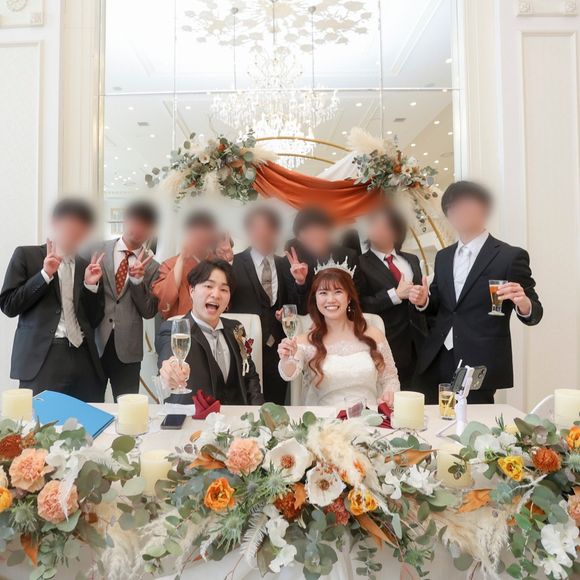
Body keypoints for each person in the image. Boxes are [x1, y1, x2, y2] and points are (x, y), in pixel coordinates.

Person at [409, 181, 543, 404]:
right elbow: (439, 305)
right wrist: (423, 301)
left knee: (473, 421)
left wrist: (523, 303)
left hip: (479, 359)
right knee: (429, 416)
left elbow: (535, 311)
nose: (458, 212)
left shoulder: (509, 256)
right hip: (437, 355)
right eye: (452, 208)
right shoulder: (443, 257)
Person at [0, 199, 106, 402]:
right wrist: (44, 275)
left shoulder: (87, 266)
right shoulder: (27, 255)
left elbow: (94, 319)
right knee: (42, 420)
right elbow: (9, 305)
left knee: (86, 419)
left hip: (84, 358)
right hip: (43, 359)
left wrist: (90, 286)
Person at [277, 265, 400, 407]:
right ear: (315, 298)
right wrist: (286, 357)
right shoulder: (305, 340)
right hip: (325, 419)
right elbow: (289, 374)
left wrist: (389, 394)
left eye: (338, 292)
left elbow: (390, 379)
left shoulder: (373, 335)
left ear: (349, 297)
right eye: (323, 293)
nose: (331, 299)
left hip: (368, 416)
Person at [157, 259, 264, 405]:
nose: (216, 294)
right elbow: (170, 359)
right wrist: (171, 370)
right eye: (209, 286)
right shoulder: (173, 330)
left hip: (237, 417)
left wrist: (258, 412)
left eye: (224, 289)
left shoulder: (236, 328)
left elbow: (250, 376)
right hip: (194, 417)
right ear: (192, 290)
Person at [93, 200, 160, 401]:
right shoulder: (98, 250)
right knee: (92, 404)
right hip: (96, 343)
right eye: (135, 220)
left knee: (127, 406)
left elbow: (149, 311)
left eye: (145, 224)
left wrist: (137, 281)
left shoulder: (153, 267)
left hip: (129, 348)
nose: (138, 227)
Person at [359, 206, 428, 390]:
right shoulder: (360, 263)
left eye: (384, 225)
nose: (377, 228)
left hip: (418, 343)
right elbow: (360, 304)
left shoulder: (412, 260)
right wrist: (395, 295)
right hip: (386, 342)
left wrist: (422, 300)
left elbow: (422, 299)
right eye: (373, 223)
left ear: (396, 231)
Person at [229, 206, 291, 405]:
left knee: (276, 407)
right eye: (256, 227)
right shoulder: (233, 263)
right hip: (245, 348)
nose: (262, 233)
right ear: (248, 232)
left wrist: (299, 284)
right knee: (246, 404)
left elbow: (295, 304)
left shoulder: (286, 264)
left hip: (278, 351)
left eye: (268, 227)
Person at [283, 207, 365, 314]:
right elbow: (293, 308)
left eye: (320, 229)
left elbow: (359, 298)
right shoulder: (291, 263)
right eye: (308, 231)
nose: (316, 236)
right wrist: (300, 283)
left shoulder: (348, 256)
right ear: (298, 237)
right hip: (308, 320)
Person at [152, 210, 232, 319]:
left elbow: (229, 294)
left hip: (215, 322)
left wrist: (228, 262)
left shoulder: (218, 262)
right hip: (183, 324)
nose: (201, 236)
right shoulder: (170, 265)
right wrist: (181, 259)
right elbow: (165, 300)